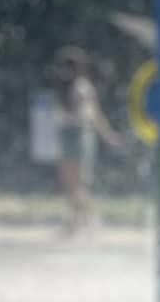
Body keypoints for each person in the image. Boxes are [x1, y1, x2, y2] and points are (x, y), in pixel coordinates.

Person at [51, 47, 126, 236]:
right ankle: (74, 221)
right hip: (65, 134)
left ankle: (90, 220)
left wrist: (108, 134)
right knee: (68, 183)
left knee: (78, 184)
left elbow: (94, 114)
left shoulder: (82, 87)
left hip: (78, 134)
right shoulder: (60, 87)